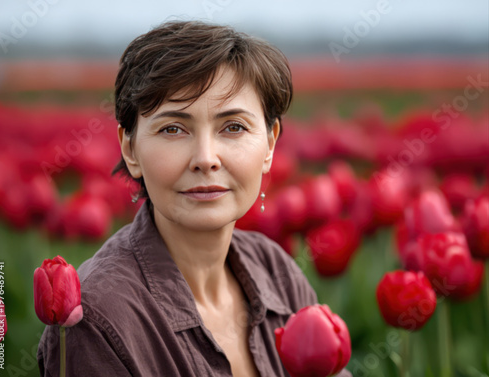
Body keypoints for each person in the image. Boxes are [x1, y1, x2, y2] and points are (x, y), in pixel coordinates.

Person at [37, 20, 352, 377]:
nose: (206, 158)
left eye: (233, 127)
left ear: (270, 143)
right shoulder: (99, 317)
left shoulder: (276, 270)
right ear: (130, 148)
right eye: (173, 128)